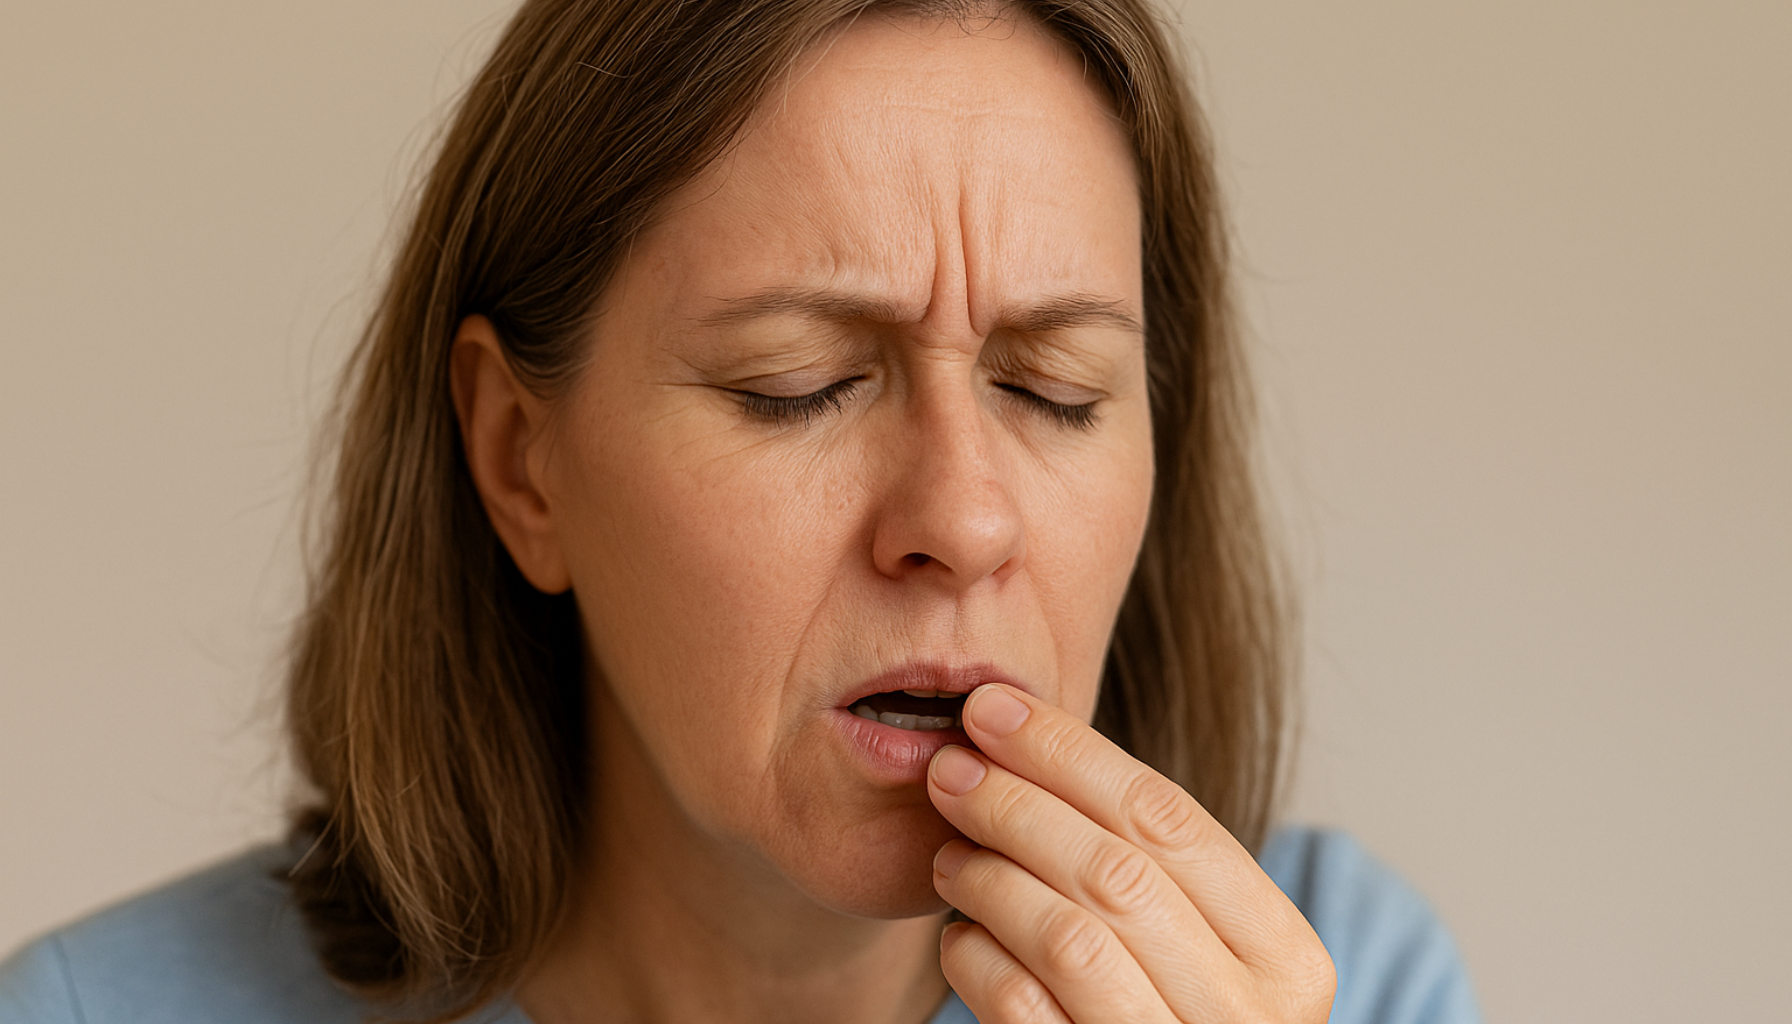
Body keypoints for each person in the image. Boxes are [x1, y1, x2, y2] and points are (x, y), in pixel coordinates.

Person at [0, 1, 1481, 1022]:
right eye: (801, 384)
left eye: (1054, 389)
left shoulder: (1347, 977)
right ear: (523, 461)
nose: (963, 521)